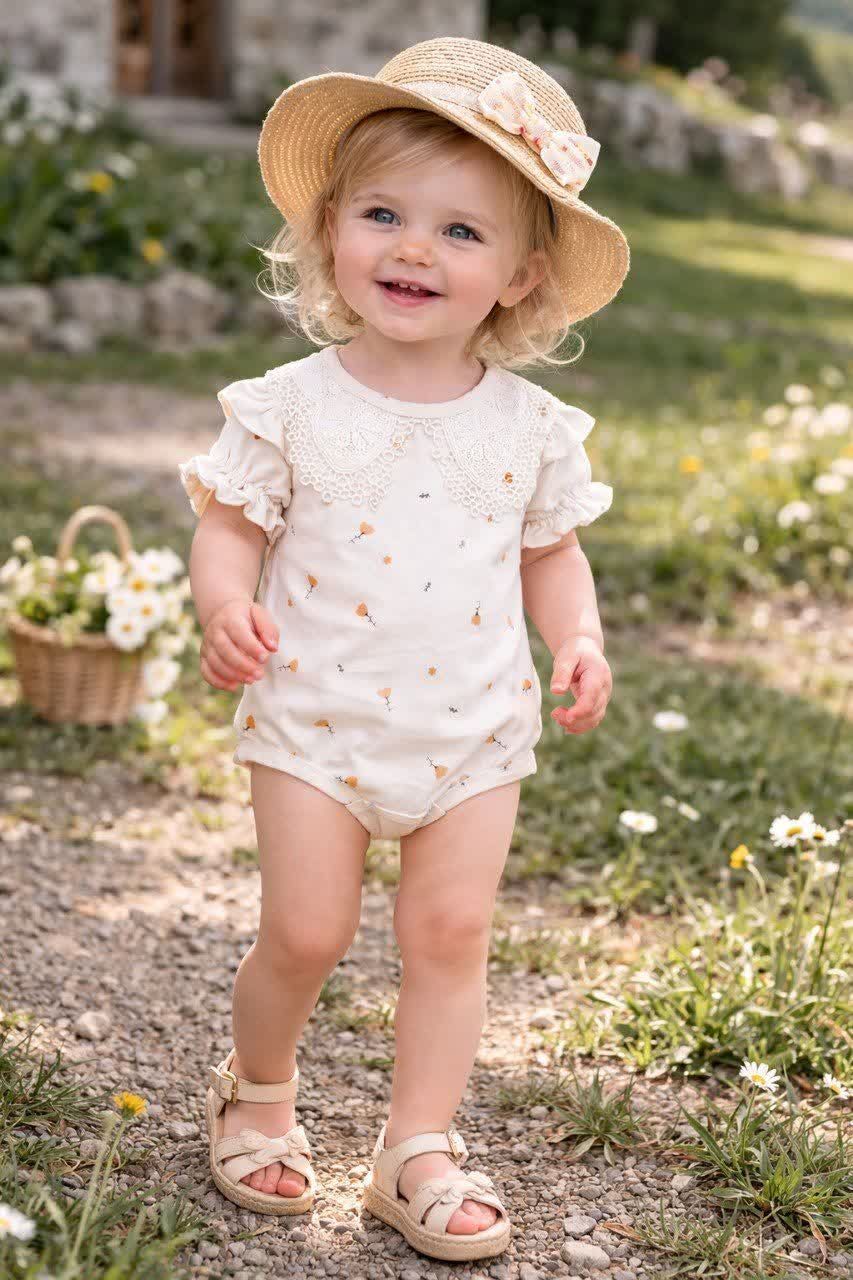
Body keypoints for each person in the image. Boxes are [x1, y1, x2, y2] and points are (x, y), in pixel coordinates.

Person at [178, 34, 629, 1263]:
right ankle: (257, 1091)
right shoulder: (289, 403)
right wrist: (224, 603)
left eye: (459, 231)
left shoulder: (531, 428)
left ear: (521, 277)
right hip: (314, 720)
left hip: (471, 730)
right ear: (331, 228)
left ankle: (415, 1146)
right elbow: (230, 524)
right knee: (305, 929)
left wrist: (578, 635)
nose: (415, 249)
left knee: (449, 936)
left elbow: (550, 552)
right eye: (383, 214)